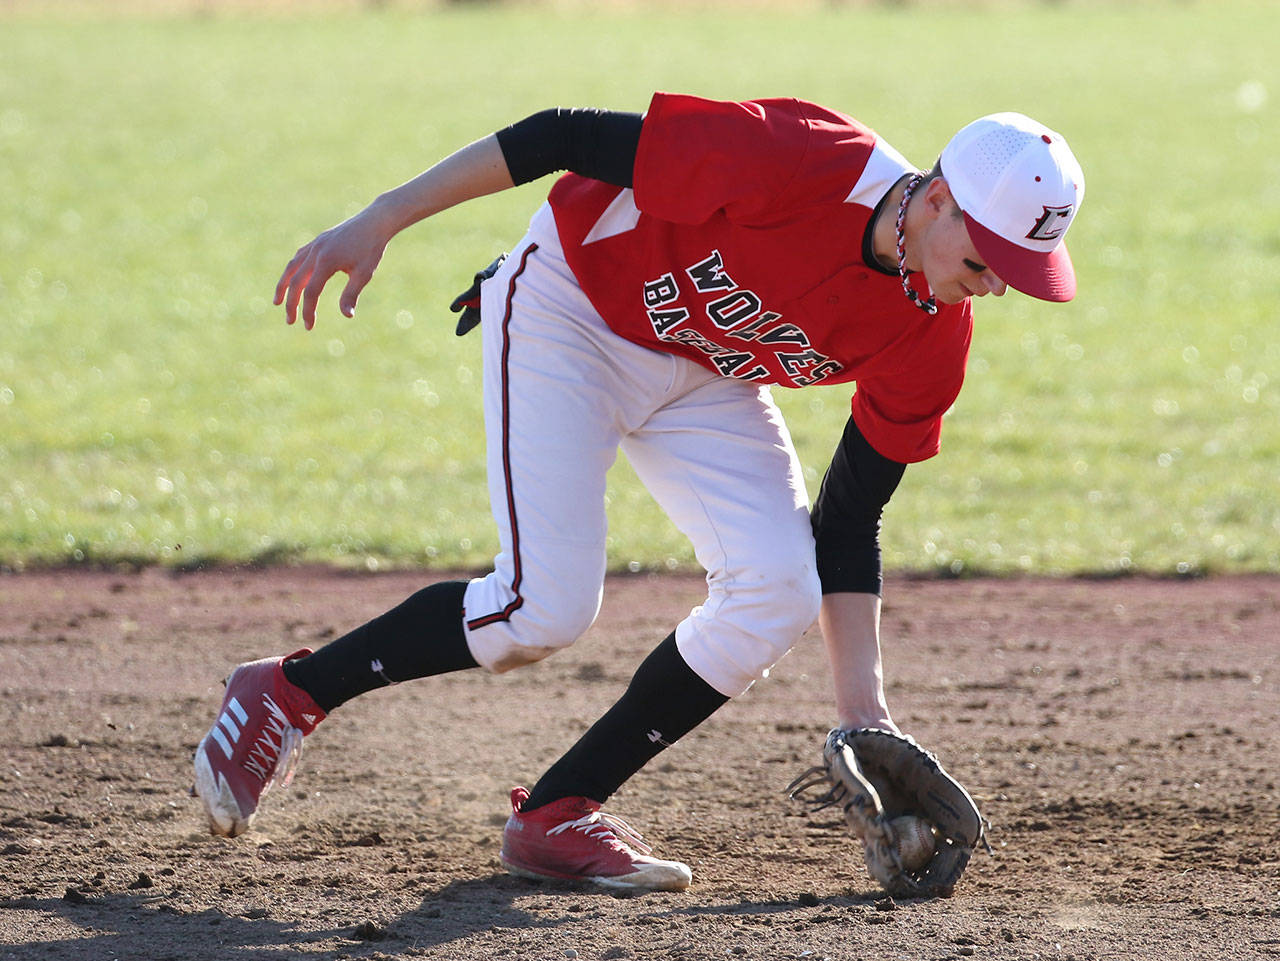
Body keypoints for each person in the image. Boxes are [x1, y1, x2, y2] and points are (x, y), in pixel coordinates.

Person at [193, 93, 1084, 892]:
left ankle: (556, 813)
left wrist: (865, 713)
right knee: (539, 609)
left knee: (776, 587)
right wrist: (382, 218)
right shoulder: (803, 159)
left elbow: (849, 521)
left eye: (1018, 267)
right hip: (570, 308)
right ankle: (289, 690)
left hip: (700, 369)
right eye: (987, 254)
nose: (996, 281)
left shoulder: (934, 336)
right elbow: (558, 136)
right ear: (934, 198)